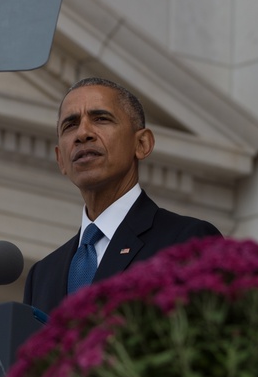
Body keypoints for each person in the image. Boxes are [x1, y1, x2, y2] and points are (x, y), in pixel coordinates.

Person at [23, 77, 221, 313]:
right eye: (70, 125)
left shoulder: (186, 240)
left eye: (101, 119)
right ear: (60, 160)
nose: (83, 133)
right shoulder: (42, 275)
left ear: (142, 144)